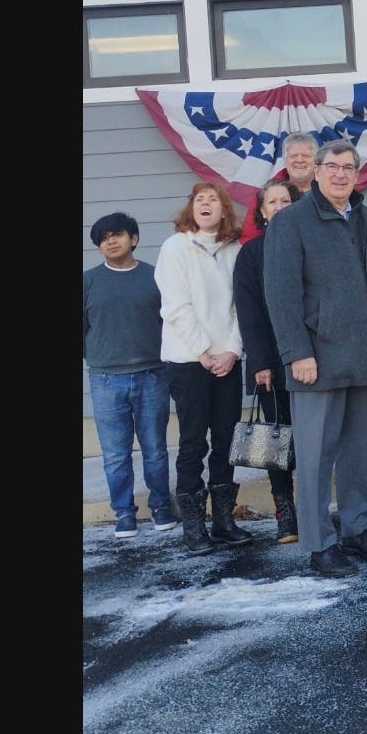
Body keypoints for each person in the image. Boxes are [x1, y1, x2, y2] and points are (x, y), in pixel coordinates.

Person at [264, 138, 367, 578]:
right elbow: (281, 295)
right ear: (317, 171)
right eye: (332, 166)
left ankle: (358, 530)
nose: (340, 174)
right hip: (315, 360)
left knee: (358, 452)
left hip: (362, 356)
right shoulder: (292, 222)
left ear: (357, 175)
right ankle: (320, 544)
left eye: (349, 168)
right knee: (317, 456)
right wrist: (296, 352)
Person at [156, 181, 252, 553]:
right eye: (200, 199)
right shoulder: (175, 247)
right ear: (191, 208)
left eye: (213, 199)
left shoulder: (235, 250)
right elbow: (176, 306)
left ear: (225, 209)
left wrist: (231, 350)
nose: (206, 204)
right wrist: (203, 351)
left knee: (226, 441)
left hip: (226, 362)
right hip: (188, 361)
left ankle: (224, 520)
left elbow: (240, 308)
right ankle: (194, 528)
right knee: (194, 442)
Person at [84, 212, 175, 538]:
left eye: (117, 234)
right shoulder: (88, 281)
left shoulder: (155, 277)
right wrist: (101, 356)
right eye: (103, 237)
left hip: (152, 374)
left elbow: (171, 323)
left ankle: (162, 507)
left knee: (155, 449)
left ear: (133, 239)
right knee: (115, 454)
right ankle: (124, 513)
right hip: (106, 380)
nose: (110, 241)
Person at [232, 176, 304, 544]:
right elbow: (249, 312)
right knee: (278, 438)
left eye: (285, 200)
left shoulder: (308, 244)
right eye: (271, 202)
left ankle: (311, 506)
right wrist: (260, 362)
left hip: (308, 360)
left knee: (309, 437)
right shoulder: (251, 254)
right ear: (261, 212)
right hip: (270, 364)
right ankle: (285, 512)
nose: (278, 207)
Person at [240, 130, 319, 243]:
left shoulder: (329, 191)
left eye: (306, 155)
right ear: (285, 162)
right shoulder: (267, 193)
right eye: (293, 156)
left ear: (316, 161)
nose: (300, 160)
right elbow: (249, 237)